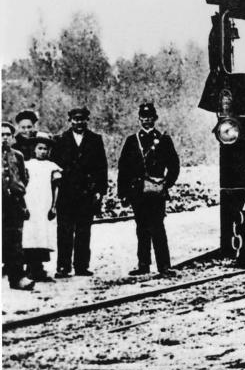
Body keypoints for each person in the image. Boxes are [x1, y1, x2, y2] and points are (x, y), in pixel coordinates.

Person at [118, 103, 181, 278]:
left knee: (158, 227)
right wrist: (123, 193)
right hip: (137, 192)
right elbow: (123, 168)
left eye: (149, 117)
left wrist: (166, 184)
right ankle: (143, 265)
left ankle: (164, 266)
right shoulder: (132, 141)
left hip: (156, 192)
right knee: (141, 228)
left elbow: (174, 165)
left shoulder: (163, 140)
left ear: (155, 118)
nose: (146, 120)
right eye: (143, 117)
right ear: (139, 119)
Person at [51, 107, 108, 278]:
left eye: (82, 119)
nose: (79, 122)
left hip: (86, 193)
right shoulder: (60, 140)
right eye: (75, 119)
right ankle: (63, 266)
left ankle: (81, 266)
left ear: (87, 120)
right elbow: (54, 166)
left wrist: (100, 190)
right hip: (66, 193)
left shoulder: (95, 140)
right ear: (70, 121)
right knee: (64, 230)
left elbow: (102, 167)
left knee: (84, 230)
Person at [22, 132, 60, 282]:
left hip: (44, 204)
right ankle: (30, 268)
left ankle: (39, 268)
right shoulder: (27, 165)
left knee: (43, 234)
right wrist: (23, 205)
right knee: (30, 233)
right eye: (40, 148)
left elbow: (56, 188)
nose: (43, 151)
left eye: (45, 149)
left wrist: (54, 206)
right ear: (34, 149)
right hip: (31, 202)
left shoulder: (51, 166)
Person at [2, 121, 34, 290]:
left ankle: (17, 278)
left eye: (8, 134)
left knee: (15, 241)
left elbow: (23, 178)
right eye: (1, 135)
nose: (4, 138)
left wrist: (16, 192)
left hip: (14, 204)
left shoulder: (17, 156)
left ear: (12, 137)